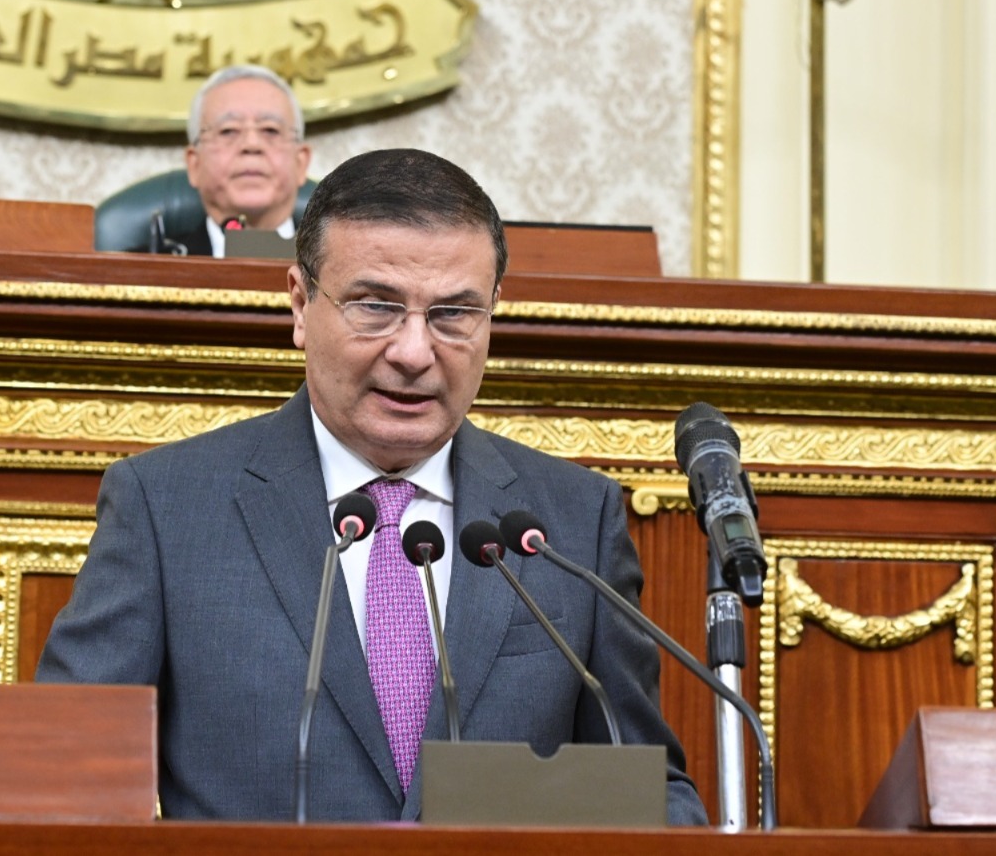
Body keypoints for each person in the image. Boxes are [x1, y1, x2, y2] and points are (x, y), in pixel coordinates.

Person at [37, 148, 707, 825]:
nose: (414, 352)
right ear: (301, 304)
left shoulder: (572, 520)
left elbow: (651, 795)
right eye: (376, 307)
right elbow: (61, 779)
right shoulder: (167, 507)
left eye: (453, 314)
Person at [174, 65, 312, 257]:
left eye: (270, 130)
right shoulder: (146, 269)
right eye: (228, 131)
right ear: (194, 164)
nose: (251, 144)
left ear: (301, 162)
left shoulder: (336, 268)